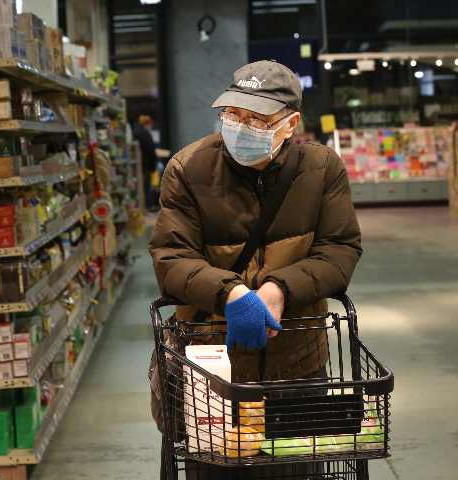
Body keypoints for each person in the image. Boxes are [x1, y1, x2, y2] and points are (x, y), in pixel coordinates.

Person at [149, 60, 362, 478]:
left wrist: (280, 288)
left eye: (257, 118)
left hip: (297, 363)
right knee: (215, 469)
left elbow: (340, 249)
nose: (240, 126)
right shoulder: (187, 169)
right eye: (233, 114)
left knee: (295, 470)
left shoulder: (322, 170)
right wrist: (231, 293)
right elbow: (171, 257)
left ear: (291, 123)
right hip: (210, 368)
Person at [132, 114, 160, 211]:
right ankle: (148, 205)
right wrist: (154, 165)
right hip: (145, 163)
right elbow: (150, 150)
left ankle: (142, 206)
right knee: (146, 185)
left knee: (140, 185)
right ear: (147, 123)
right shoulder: (145, 133)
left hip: (137, 164)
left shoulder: (135, 132)